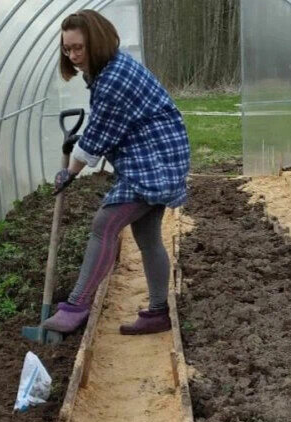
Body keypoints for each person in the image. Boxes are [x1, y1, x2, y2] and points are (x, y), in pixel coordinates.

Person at [41, 9, 190, 336]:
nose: (73, 55)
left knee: (104, 225)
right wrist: (81, 149)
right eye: (67, 49)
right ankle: (157, 313)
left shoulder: (114, 78)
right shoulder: (111, 71)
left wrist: (70, 171)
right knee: (148, 236)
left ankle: (77, 305)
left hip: (154, 162)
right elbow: (110, 126)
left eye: (79, 47)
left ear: (96, 42)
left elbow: (99, 135)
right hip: (158, 156)